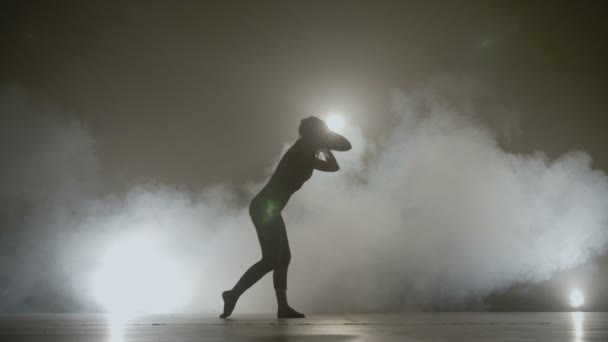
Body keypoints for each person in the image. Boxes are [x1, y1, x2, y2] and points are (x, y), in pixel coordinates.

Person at [220, 116, 352, 319]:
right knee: (272, 259)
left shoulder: (309, 151)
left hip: (270, 209)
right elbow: (343, 147)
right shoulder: (303, 148)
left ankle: (282, 307)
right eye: (321, 132)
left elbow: (336, 163)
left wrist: (326, 147)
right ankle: (233, 294)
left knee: (283, 258)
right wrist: (326, 140)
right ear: (313, 133)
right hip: (265, 207)